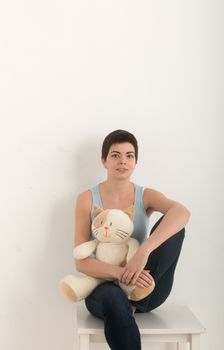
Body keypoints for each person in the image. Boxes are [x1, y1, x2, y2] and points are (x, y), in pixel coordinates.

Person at [74, 129, 191, 350]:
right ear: (104, 160)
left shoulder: (145, 195)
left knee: (174, 226)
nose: (123, 161)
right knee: (115, 298)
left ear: (136, 161)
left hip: (144, 290)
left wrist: (142, 252)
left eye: (129, 155)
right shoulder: (87, 198)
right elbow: (81, 262)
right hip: (104, 290)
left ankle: (133, 304)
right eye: (115, 155)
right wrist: (121, 274)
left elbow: (182, 212)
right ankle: (124, 309)